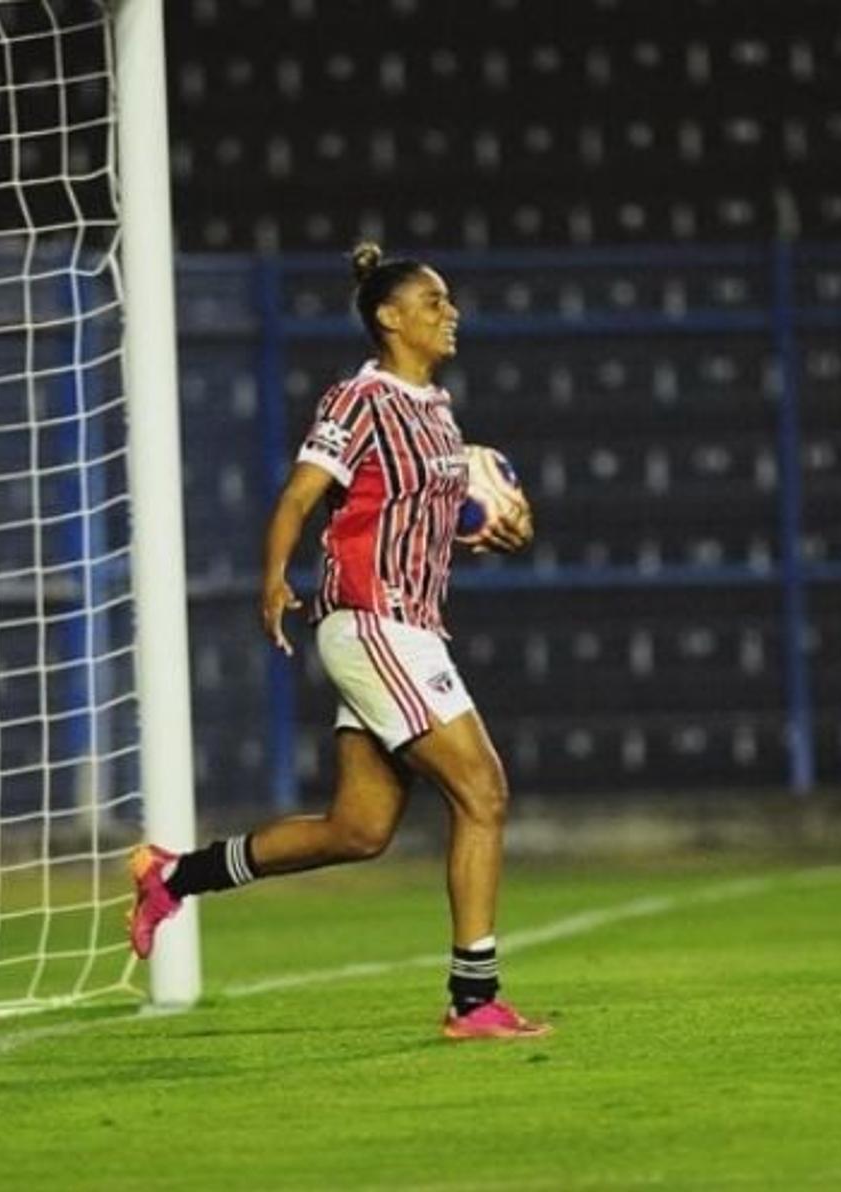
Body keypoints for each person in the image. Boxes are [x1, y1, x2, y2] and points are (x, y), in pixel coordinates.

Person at [127, 241, 548, 1040]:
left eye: (448, 301)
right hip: (373, 619)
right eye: (433, 303)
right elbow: (300, 495)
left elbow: (419, 515)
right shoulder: (360, 398)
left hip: (410, 625)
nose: (449, 313)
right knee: (483, 792)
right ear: (389, 318)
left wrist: (490, 529)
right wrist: (273, 579)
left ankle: (173, 875)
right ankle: (474, 1001)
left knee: (357, 830)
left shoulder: (436, 409)